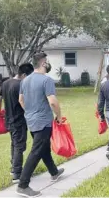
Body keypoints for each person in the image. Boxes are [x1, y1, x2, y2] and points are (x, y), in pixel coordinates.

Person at [16, 52, 64, 197]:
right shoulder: (46, 80)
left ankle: (54, 172)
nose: (48, 63)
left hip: (31, 120)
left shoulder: (25, 80)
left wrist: (30, 112)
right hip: (43, 121)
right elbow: (53, 102)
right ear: (43, 63)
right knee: (37, 151)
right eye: (47, 61)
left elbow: (21, 100)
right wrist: (59, 116)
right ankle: (23, 185)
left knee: (44, 149)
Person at [0, 63, 34, 183]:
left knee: (14, 143)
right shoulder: (21, 85)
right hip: (19, 120)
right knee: (19, 146)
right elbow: (25, 102)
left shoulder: (6, 83)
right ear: (23, 75)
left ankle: (13, 168)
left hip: (8, 119)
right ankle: (17, 174)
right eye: (28, 76)